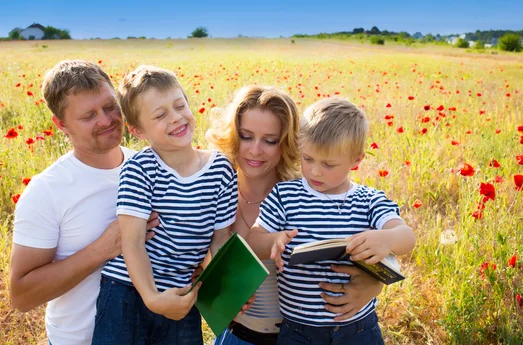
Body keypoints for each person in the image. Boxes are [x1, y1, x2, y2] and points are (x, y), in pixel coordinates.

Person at [207, 87, 387, 345]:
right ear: (233, 135)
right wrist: (220, 294)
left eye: (270, 140)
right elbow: (194, 268)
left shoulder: (307, 194)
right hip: (240, 337)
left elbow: (369, 240)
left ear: (289, 142)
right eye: (246, 136)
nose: (255, 150)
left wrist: (373, 284)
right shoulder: (214, 194)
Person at [9, 60, 158, 345]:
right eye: (89, 115)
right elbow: (22, 295)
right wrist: (103, 249)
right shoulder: (47, 191)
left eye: (110, 106)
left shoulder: (148, 167)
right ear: (61, 124)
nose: (106, 120)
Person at [248, 97, 416, 345]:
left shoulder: (368, 200)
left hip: (358, 328)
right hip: (298, 330)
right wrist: (272, 241)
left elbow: (407, 238)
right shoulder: (285, 196)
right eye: (308, 159)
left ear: (356, 160)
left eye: (328, 164)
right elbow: (253, 240)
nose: (315, 171)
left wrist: (387, 239)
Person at [92, 65, 238, 345]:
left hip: (182, 293)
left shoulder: (221, 169)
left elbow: (220, 239)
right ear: (137, 130)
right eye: (160, 115)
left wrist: (226, 294)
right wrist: (152, 297)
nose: (175, 118)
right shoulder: (140, 169)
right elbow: (132, 243)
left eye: (179, 105)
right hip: (129, 290)